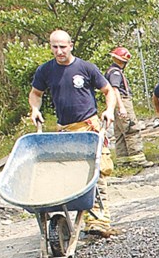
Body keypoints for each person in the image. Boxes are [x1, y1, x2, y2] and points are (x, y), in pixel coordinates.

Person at [28, 29, 117, 237]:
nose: (59, 51)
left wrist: (110, 110)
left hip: (88, 127)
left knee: (97, 174)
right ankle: (75, 219)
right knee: (72, 176)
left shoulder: (85, 68)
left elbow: (107, 91)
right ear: (50, 47)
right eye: (54, 47)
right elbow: (35, 94)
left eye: (62, 47)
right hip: (65, 131)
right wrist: (35, 109)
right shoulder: (45, 71)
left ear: (71, 46)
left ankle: (99, 222)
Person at [105, 47, 153, 168]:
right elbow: (115, 89)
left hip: (115, 103)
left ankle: (123, 161)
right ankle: (138, 160)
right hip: (122, 101)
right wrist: (121, 107)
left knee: (120, 132)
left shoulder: (111, 71)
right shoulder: (115, 73)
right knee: (131, 129)